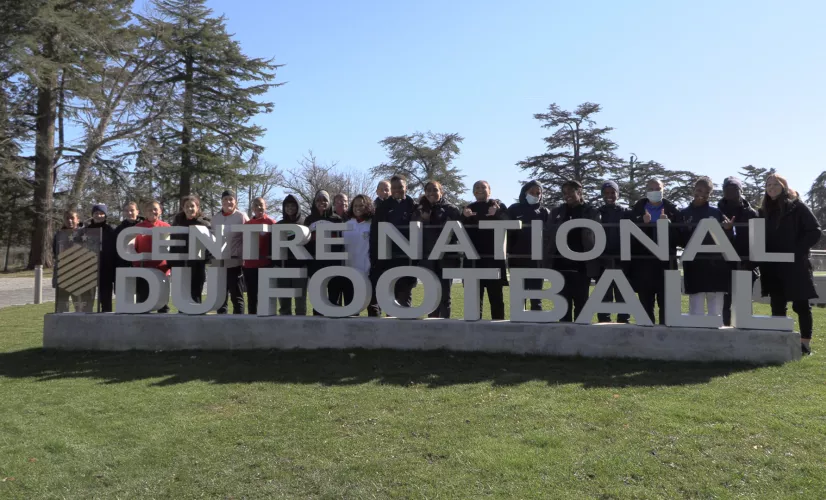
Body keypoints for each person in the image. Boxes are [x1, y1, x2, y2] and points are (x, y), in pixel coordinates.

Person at [758, 174, 821, 355]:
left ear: (784, 186)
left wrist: (797, 251)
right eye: (768, 185)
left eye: (775, 184)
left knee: (801, 305)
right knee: (777, 305)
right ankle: (780, 341)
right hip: (772, 266)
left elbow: (815, 231)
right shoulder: (763, 211)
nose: (771, 187)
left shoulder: (797, 207)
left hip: (796, 265)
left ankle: (805, 345)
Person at [544, 180, 601, 322]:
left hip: (582, 266)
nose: (567, 195)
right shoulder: (557, 212)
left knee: (582, 305)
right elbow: (548, 236)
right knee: (563, 308)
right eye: (564, 192)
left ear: (579, 192)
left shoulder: (591, 212)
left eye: (570, 191)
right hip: (560, 266)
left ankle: (582, 340)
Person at [628, 178, 681, 324]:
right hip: (643, 266)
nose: (654, 192)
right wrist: (643, 225)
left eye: (657, 189)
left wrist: (668, 225)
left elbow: (681, 239)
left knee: (667, 308)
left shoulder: (673, 210)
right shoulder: (636, 211)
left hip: (666, 265)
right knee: (645, 308)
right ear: (646, 191)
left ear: (663, 190)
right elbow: (630, 240)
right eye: (651, 189)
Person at [678, 177, 729, 317]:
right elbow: (679, 239)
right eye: (699, 190)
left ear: (710, 194)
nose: (702, 194)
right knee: (696, 311)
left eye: (706, 192)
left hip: (716, 265)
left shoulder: (716, 213)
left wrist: (729, 228)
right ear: (693, 190)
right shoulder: (683, 214)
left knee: (715, 312)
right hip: (694, 265)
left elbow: (729, 235)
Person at [372, 175, 420, 311]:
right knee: (389, 300)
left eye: (401, 187)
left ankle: (405, 331)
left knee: (405, 298)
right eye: (394, 188)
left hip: (408, 259)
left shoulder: (414, 206)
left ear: (406, 187)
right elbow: (375, 233)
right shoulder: (383, 207)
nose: (397, 190)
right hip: (387, 260)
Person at [462, 180, 509, 320]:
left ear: (490, 190)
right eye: (477, 187)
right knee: (474, 302)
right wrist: (464, 217)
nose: (480, 189)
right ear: (473, 191)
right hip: (472, 261)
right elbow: (455, 228)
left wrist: (498, 213)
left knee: (496, 299)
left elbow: (510, 222)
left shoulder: (499, 206)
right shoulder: (467, 208)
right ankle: (473, 332)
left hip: (494, 261)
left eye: (483, 187)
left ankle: (499, 331)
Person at [717, 176, 759, 326]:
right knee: (724, 304)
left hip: (746, 265)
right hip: (722, 266)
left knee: (743, 305)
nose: (731, 192)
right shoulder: (716, 212)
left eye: (734, 189)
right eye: (727, 189)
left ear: (741, 190)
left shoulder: (752, 213)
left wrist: (751, 264)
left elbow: (758, 241)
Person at [417, 181, 461, 318]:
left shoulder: (451, 209)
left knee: (445, 295)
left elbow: (458, 234)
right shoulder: (419, 209)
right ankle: (432, 326)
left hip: (446, 258)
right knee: (431, 295)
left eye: (435, 190)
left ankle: (445, 325)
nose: (431, 193)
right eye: (428, 190)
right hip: (427, 258)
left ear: (441, 191)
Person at [507, 180, 549, 312]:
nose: (535, 195)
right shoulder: (514, 209)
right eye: (532, 192)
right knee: (518, 299)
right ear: (525, 192)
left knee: (537, 299)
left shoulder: (544, 212)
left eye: (538, 192)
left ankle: (538, 328)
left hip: (537, 261)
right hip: (517, 260)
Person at [304, 190, 345, 315]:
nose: (322, 202)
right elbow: (305, 241)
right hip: (315, 263)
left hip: (333, 262)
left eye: (325, 200)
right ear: (314, 202)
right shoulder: (309, 220)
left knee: (334, 294)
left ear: (329, 202)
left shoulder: (337, 219)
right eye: (318, 200)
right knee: (318, 296)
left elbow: (342, 242)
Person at [596, 181, 630, 323]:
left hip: (621, 259)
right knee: (604, 294)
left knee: (623, 293)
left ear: (618, 194)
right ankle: (604, 321)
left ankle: (624, 321)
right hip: (602, 259)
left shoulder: (626, 212)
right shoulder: (597, 212)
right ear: (602, 195)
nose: (609, 195)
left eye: (612, 192)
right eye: (606, 193)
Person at [212, 190, 249, 314]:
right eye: (225, 199)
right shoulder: (216, 218)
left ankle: (239, 322)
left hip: (235, 261)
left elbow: (249, 238)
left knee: (236, 295)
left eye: (230, 199)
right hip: (219, 261)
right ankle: (221, 322)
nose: (228, 202)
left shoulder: (241, 216)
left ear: (235, 201)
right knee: (221, 296)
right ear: (221, 202)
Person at [169, 195, 211, 307]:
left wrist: (205, 259)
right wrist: (171, 262)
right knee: (181, 296)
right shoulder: (177, 223)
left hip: (197, 265)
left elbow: (210, 247)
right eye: (187, 206)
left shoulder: (205, 224)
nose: (189, 209)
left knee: (195, 295)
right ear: (183, 208)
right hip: (180, 265)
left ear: (197, 207)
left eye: (192, 206)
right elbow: (172, 243)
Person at [52, 210, 96, 313]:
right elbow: (56, 253)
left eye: (72, 218)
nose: (70, 220)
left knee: (80, 308)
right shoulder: (58, 235)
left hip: (80, 277)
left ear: (78, 220)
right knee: (61, 308)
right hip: (63, 276)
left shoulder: (84, 234)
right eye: (67, 218)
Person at [342, 194, 379, 316]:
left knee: (373, 307)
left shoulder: (372, 225)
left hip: (368, 271)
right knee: (350, 308)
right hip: (350, 272)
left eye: (361, 205)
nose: (358, 208)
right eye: (355, 205)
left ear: (367, 206)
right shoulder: (346, 225)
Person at [133, 200, 170, 313]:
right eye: (149, 209)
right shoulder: (137, 227)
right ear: (145, 212)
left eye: (155, 209)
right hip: (143, 270)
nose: (152, 211)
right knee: (143, 305)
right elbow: (133, 248)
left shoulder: (167, 227)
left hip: (162, 270)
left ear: (160, 211)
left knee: (163, 306)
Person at [242, 197, 276, 315]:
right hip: (250, 266)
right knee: (252, 296)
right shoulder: (247, 224)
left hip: (266, 266)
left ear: (265, 206)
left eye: (261, 204)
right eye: (256, 205)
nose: (259, 207)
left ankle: (266, 320)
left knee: (265, 296)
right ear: (252, 208)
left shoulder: (272, 223)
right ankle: (251, 320)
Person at [276, 195, 308, 316]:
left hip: (300, 267)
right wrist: (276, 264)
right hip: (283, 266)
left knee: (300, 300)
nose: (290, 208)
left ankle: (302, 326)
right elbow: (272, 246)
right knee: (284, 302)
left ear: (298, 207)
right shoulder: (279, 224)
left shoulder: (304, 223)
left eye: (293, 206)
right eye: (287, 206)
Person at [86, 204, 116, 312]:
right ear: (92, 215)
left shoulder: (111, 231)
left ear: (105, 215)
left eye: (101, 213)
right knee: (87, 301)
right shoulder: (86, 231)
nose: (99, 215)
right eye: (96, 213)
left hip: (106, 270)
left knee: (106, 301)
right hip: (90, 270)